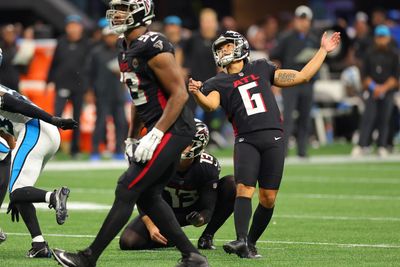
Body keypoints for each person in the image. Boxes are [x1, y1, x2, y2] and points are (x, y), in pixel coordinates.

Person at [52, 1, 209, 266]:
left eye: (124, 9)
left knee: (127, 188)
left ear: (141, 12)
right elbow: (140, 99)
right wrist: (132, 136)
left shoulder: (153, 43)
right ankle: (192, 255)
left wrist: (156, 134)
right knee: (149, 196)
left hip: (174, 129)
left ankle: (88, 258)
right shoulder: (124, 47)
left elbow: (180, 94)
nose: (117, 14)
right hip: (158, 128)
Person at [189, 30, 340, 258]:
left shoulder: (260, 67)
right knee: (244, 189)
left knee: (268, 198)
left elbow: (302, 77)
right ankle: (240, 240)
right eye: (220, 48)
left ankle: (250, 243)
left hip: (274, 138)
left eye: (227, 46)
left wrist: (322, 51)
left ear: (240, 47)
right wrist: (197, 94)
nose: (222, 51)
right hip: (246, 139)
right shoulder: (217, 81)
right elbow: (210, 105)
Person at [119, 119, 236, 250]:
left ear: (199, 143)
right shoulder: (158, 160)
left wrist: (200, 219)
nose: (180, 145)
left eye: (187, 142)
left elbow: (208, 208)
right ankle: (171, 238)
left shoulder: (206, 166)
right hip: (162, 212)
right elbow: (141, 194)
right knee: (129, 242)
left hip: (192, 210)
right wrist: (151, 225)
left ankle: (207, 236)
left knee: (232, 185)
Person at [0, 50, 77, 246]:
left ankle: (54, 196)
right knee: (20, 191)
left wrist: (54, 119)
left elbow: (17, 106)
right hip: (44, 133)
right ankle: (39, 244)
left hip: (36, 130)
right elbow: (7, 127)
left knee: (17, 190)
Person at [270, 5, 319, 158]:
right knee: (288, 117)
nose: (303, 23)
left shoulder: (313, 39)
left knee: (305, 117)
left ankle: (302, 151)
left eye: (305, 20)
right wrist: (275, 80)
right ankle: (283, 152)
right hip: (289, 83)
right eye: (300, 19)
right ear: (296, 20)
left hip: (307, 83)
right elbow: (274, 56)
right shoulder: (286, 38)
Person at [351, 25, 400, 157]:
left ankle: (382, 145)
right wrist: (375, 88)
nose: (381, 40)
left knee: (385, 119)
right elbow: (364, 75)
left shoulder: (394, 54)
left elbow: (395, 77)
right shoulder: (369, 53)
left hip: (388, 90)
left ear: (388, 38)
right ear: (375, 38)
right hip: (372, 90)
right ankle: (362, 145)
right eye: (379, 37)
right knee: (368, 118)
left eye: (384, 37)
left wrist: (383, 88)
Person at [46, 14, 91, 158]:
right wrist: (48, 81)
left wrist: (89, 88)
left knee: (77, 119)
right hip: (62, 84)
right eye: (70, 25)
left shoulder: (87, 44)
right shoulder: (61, 42)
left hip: (79, 87)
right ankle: (54, 148)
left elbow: (90, 68)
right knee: (56, 118)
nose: (72, 29)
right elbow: (54, 63)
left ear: (80, 28)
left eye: (75, 25)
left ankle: (75, 149)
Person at [88, 26, 128, 161]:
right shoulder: (96, 52)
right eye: (108, 36)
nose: (111, 38)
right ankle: (94, 151)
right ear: (104, 37)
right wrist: (89, 91)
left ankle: (118, 150)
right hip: (102, 94)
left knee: (120, 123)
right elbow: (89, 73)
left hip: (118, 93)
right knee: (100, 123)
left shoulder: (122, 52)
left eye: (113, 35)